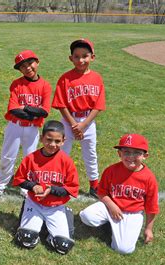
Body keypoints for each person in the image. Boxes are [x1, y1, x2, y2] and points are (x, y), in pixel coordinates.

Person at [0, 50, 52, 202]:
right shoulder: (17, 84)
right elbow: (13, 109)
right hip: (14, 127)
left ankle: (26, 186)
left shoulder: (45, 86)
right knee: (7, 156)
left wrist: (25, 108)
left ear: (37, 62)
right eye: (23, 66)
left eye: (30, 64)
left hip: (32, 129)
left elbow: (44, 111)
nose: (28, 68)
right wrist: (32, 112)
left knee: (30, 158)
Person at [79, 134, 159, 254]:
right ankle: (109, 223)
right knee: (86, 216)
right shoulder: (111, 170)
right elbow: (101, 192)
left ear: (145, 156)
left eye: (136, 152)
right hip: (110, 206)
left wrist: (148, 229)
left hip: (132, 213)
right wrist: (112, 206)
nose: (131, 156)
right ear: (119, 154)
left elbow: (152, 207)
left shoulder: (149, 178)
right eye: (126, 152)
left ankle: (114, 227)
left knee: (124, 249)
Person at [12, 120, 79, 255]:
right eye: (48, 140)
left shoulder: (66, 162)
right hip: (35, 203)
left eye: (57, 141)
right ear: (42, 138)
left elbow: (71, 188)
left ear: (63, 141)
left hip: (55, 206)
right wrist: (32, 186)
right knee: (26, 239)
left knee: (62, 246)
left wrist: (51, 190)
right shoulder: (31, 158)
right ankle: (34, 218)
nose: (52, 144)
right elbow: (19, 179)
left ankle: (65, 215)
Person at [52, 38, 105, 199]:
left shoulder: (97, 78)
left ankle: (94, 185)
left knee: (90, 154)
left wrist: (83, 125)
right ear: (71, 58)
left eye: (85, 56)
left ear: (92, 57)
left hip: (88, 122)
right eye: (76, 56)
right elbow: (61, 104)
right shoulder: (65, 78)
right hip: (69, 122)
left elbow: (98, 106)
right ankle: (58, 182)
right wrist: (74, 124)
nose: (81, 60)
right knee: (61, 153)